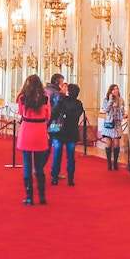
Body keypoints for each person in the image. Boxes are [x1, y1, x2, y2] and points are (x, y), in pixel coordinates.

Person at [16, 74, 52, 205]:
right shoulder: (45, 98)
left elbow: (20, 112)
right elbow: (48, 115)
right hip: (40, 131)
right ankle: (42, 195)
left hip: (26, 130)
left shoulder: (22, 98)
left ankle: (29, 196)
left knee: (27, 165)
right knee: (39, 166)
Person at [50, 83, 85, 186]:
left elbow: (54, 114)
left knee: (57, 155)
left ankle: (55, 178)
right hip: (72, 131)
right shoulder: (79, 104)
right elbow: (78, 115)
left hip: (59, 131)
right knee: (70, 157)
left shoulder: (61, 102)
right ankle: (70, 179)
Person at [99, 84, 125, 171]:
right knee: (108, 143)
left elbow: (122, 111)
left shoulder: (121, 100)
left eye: (117, 89)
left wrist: (124, 115)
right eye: (113, 89)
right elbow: (105, 110)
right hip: (109, 124)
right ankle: (109, 163)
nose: (115, 91)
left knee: (117, 143)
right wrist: (110, 101)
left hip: (117, 124)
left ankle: (115, 162)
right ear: (110, 91)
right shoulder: (106, 100)